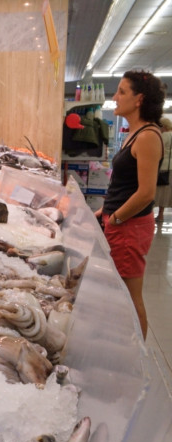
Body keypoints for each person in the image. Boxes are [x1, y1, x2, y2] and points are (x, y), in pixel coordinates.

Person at [95, 70, 166, 339]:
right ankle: (121, 345)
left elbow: (146, 193)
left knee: (131, 294)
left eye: (122, 92)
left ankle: (139, 358)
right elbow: (126, 185)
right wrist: (106, 210)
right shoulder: (133, 133)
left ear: (139, 99)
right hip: (119, 221)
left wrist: (117, 218)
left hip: (130, 228)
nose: (115, 97)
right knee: (120, 291)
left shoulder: (148, 136)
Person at [154, 117, 172, 222]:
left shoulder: (163, 136)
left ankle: (150, 213)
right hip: (171, 168)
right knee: (166, 192)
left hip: (161, 167)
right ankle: (161, 214)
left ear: (163, 126)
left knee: (156, 191)